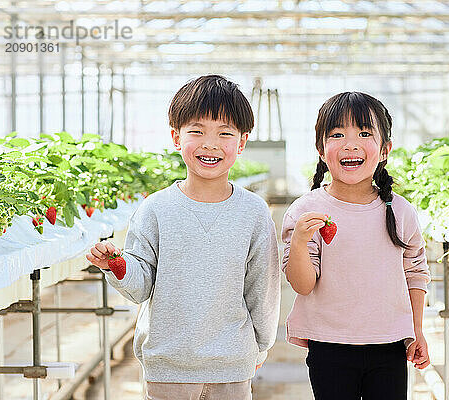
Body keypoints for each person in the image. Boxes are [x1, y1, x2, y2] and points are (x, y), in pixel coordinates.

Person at [86, 75, 281, 400]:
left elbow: (263, 288)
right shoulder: (156, 209)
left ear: (242, 142)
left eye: (224, 133)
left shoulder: (254, 213)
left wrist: (259, 348)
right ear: (176, 137)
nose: (210, 143)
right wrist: (118, 266)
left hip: (232, 365)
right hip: (168, 366)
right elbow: (141, 285)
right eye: (197, 131)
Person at [281, 92, 431, 399]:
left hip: (389, 345)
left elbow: (415, 273)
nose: (351, 144)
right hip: (329, 346)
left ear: (385, 149)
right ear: (321, 150)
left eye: (364, 133)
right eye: (337, 135)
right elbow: (302, 285)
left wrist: (416, 331)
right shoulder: (306, 211)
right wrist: (299, 241)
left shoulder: (400, 210)